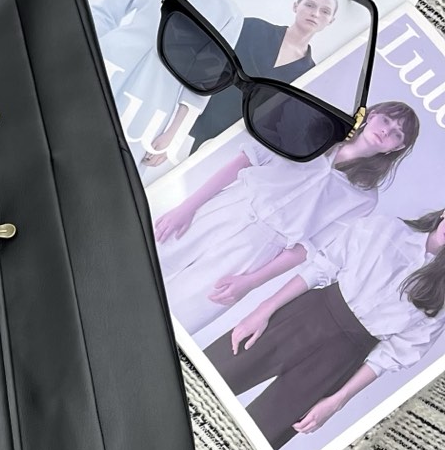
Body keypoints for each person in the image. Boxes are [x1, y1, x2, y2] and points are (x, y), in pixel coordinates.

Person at [151, 101, 420, 334]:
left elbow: (307, 248)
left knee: (182, 312)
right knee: (151, 257)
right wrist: (186, 208)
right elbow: (244, 161)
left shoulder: (364, 197)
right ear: (371, 115)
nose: (386, 131)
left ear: (396, 148)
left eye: (397, 134)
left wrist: (251, 282)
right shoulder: (315, 133)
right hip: (227, 208)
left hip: (255, 250)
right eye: (386, 120)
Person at [203, 207, 445, 450]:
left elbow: (394, 355)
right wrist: (264, 309)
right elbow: (323, 267)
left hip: (340, 360)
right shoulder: (386, 228)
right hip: (303, 316)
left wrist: (338, 400)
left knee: (257, 438)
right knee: (209, 374)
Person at [90, 0, 247, 170]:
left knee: (115, 168)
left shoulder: (229, 14)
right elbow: (104, 13)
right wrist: (83, 55)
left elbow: (203, 82)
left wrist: (173, 134)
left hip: (153, 98)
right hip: (106, 68)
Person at [190, 0, 338, 149]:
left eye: (325, 11)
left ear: (331, 21)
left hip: (234, 143)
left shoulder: (308, 76)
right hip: (194, 117)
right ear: (296, 6)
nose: (315, 13)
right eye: (310, 5)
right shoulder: (253, 28)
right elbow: (208, 58)